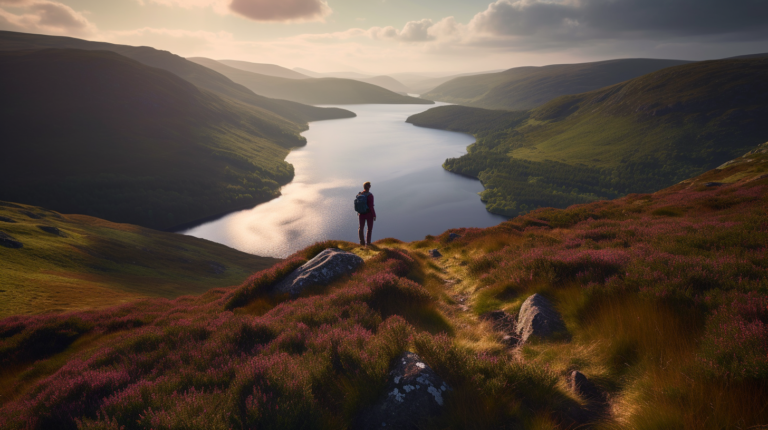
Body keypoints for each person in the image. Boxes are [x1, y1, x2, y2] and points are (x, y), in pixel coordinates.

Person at [357, 181, 376, 246]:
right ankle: (368, 243)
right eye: (369, 185)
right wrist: (374, 215)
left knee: (361, 228)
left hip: (361, 214)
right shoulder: (370, 195)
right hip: (369, 214)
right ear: (369, 187)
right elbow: (371, 207)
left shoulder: (360, 194)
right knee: (369, 229)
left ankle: (362, 243)